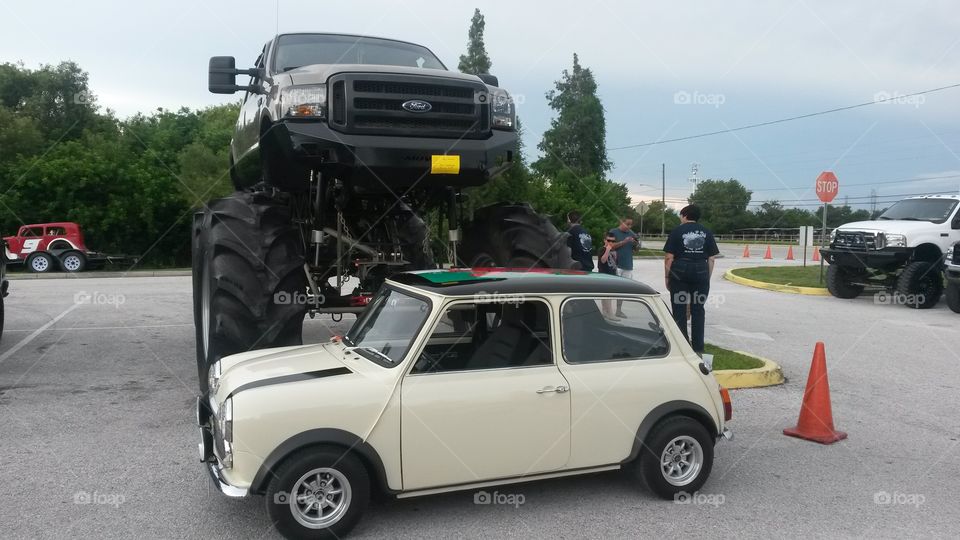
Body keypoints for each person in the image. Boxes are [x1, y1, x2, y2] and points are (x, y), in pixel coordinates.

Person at [663, 204, 719, 354]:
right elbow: (712, 258)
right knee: (698, 310)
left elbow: (669, 257)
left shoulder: (677, 231)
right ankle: (698, 349)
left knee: (679, 309)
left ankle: (683, 347)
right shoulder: (707, 232)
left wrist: (667, 277)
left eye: (680, 215)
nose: (680, 218)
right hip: (701, 271)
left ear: (685, 215)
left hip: (680, 271)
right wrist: (706, 277)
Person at [608, 217, 638, 317]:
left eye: (631, 224)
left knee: (623, 289)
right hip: (616, 265)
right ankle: (608, 310)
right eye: (627, 224)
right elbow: (609, 246)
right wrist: (624, 242)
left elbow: (636, 250)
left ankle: (619, 310)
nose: (629, 227)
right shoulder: (613, 232)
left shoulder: (632, 234)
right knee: (613, 288)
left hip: (628, 264)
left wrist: (636, 244)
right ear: (621, 222)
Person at [597, 233, 619, 318]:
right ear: (604, 240)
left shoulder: (615, 251)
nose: (611, 242)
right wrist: (607, 250)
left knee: (608, 295)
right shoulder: (602, 249)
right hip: (604, 275)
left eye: (613, 241)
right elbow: (603, 260)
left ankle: (605, 312)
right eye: (609, 240)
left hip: (612, 275)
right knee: (607, 295)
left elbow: (615, 265)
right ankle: (609, 313)